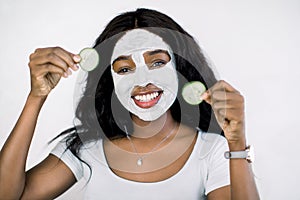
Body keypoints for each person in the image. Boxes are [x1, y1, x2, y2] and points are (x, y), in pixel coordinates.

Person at [0, 8, 260, 200]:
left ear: (180, 68)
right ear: (109, 80)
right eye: (124, 68)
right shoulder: (86, 148)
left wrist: (237, 143)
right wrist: (36, 97)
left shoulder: (212, 150)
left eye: (157, 62)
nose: (143, 81)